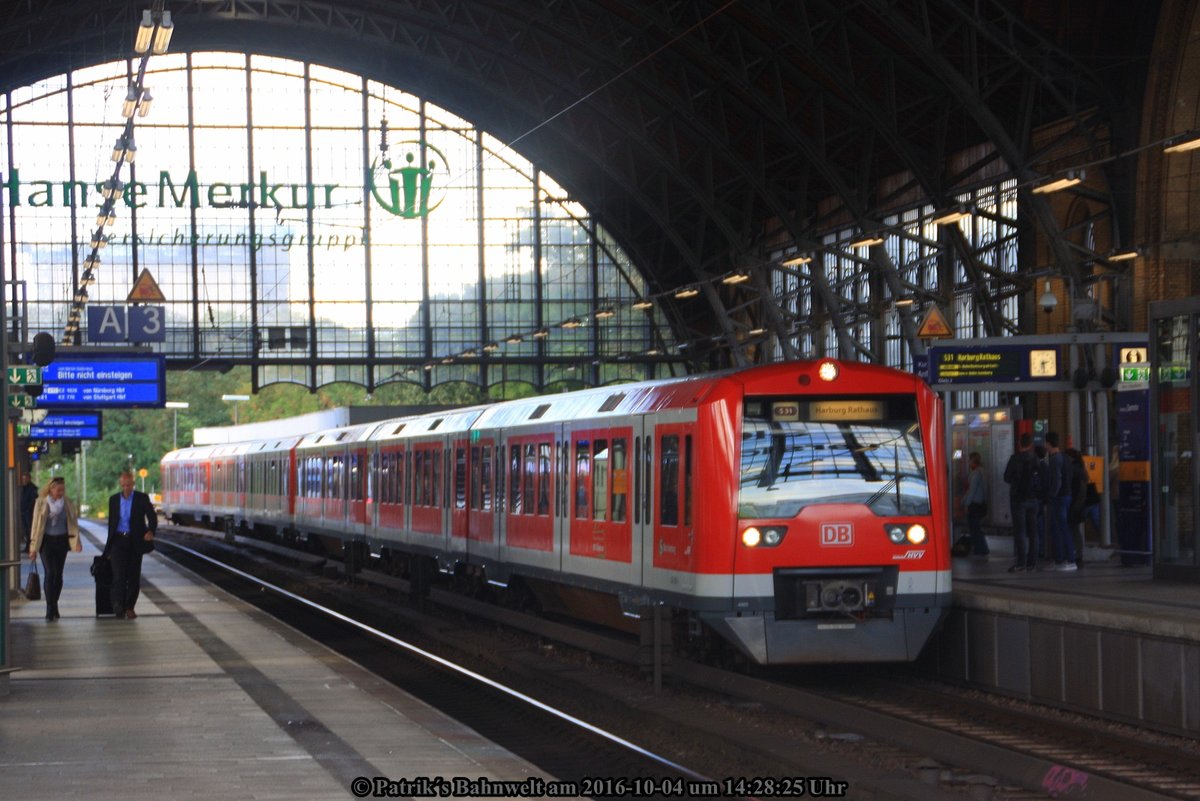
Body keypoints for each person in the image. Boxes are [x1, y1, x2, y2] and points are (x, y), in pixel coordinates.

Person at [103, 470, 157, 619]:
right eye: (124, 485)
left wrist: (151, 531)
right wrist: (108, 547)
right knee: (118, 575)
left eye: (129, 485)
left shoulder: (141, 498)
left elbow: (152, 517)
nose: (126, 488)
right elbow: (111, 524)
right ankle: (118, 605)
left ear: (133, 484)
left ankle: (130, 607)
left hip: (135, 541)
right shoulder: (114, 500)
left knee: (133, 576)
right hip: (118, 540)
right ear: (120, 484)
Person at [27, 476, 82, 621]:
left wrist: (77, 542)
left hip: (62, 542)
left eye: (63, 490)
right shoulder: (41, 502)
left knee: (58, 575)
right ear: (51, 489)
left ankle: (55, 603)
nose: (61, 492)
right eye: (58, 490)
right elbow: (35, 526)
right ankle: (49, 607)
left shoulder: (67, 503)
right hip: (46, 543)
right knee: (50, 573)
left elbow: (73, 524)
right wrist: (33, 547)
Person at [1003, 433, 1039, 572]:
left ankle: (1021, 563)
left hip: (1018, 499)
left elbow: (1006, 477)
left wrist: (1016, 482)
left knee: (1020, 532)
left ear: (1019, 443)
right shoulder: (1035, 459)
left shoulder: (1015, 459)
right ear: (1030, 444)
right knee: (1033, 532)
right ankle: (1032, 563)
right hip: (1034, 500)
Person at [1045, 433, 1077, 571]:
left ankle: (1069, 559)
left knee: (1061, 527)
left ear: (1048, 444)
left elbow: (1057, 480)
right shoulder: (1064, 457)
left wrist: (1051, 496)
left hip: (1059, 498)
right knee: (1058, 527)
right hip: (1066, 495)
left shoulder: (1055, 459)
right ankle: (1060, 559)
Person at [1065, 448, 1089, 569]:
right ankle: (1079, 555)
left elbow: (1076, 490)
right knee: (1076, 530)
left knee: (1072, 529)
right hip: (1080, 504)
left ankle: (1075, 554)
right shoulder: (1082, 469)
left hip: (1074, 504)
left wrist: (1073, 505)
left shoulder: (1073, 470)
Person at [962, 452, 989, 557]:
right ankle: (982, 548)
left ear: (973, 461)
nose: (968, 463)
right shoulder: (983, 471)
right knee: (977, 527)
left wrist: (966, 503)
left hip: (975, 505)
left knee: (974, 528)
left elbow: (971, 491)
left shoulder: (976, 473)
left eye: (969, 460)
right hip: (981, 504)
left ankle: (981, 549)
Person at [20, 473, 39, 551]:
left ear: (29, 479)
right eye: (23, 479)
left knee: (30, 529)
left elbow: (33, 500)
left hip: (29, 512)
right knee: (26, 529)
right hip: (24, 511)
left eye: (25, 479)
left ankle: (30, 546)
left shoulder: (33, 488)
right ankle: (28, 546)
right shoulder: (24, 488)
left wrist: (28, 509)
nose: (24, 481)